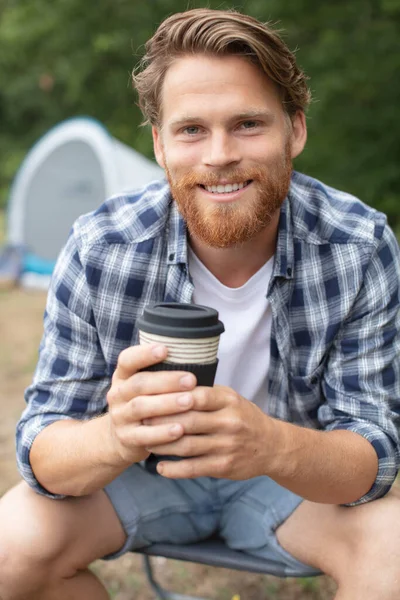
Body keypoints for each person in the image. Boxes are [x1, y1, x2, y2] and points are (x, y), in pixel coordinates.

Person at [1, 7, 400, 599]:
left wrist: (269, 443)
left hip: (291, 480)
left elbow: (375, 456)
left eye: (247, 124)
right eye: (192, 130)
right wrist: (117, 435)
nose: (218, 155)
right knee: (10, 546)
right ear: (160, 144)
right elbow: (41, 447)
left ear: (295, 130)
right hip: (138, 477)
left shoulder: (357, 246)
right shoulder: (102, 245)